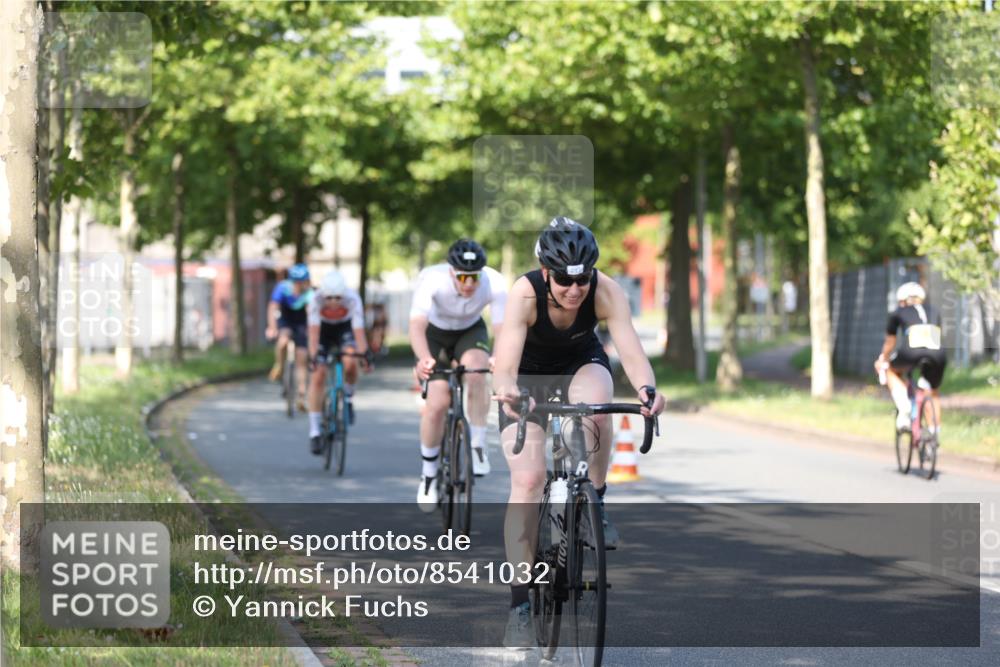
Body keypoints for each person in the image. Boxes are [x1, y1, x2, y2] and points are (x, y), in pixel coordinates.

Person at [491, 216, 665, 648]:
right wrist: (510, 393)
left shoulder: (605, 291)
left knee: (597, 411)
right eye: (565, 282)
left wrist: (648, 390)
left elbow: (631, 349)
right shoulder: (524, 292)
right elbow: (506, 364)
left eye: (582, 281)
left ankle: (595, 500)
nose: (574, 291)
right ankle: (519, 606)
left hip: (579, 364)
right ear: (546, 273)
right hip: (527, 379)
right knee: (528, 481)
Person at [410, 239, 507, 511]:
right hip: (435, 333)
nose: (468, 284)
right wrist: (422, 359)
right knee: (438, 402)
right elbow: (416, 325)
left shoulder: (494, 282)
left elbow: (502, 328)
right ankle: (428, 474)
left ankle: (476, 444)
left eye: (474, 277)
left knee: (477, 373)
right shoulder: (432, 279)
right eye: (462, 277)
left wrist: (498, 356)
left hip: (469, 330)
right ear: (451, 272)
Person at [306, 270, 371, 455]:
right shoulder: (315, 300)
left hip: (345, 328)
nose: (333, 302)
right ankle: (315, 432)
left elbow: (358, 332)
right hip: (323, 331)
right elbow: (312, 334)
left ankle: (348, 397)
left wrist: (365, 355)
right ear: (323, 294)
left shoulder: (353, 299)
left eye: (337, 297)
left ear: (344, 293)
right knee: (318, 375)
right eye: (329, 297)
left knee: (351, 360)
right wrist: (313, 357)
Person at [874, 281, 947, 433]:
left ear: (902, 300)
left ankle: (904, 406)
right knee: (932, 392)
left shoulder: (898, 312)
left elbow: (890, 341)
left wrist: (883, 358)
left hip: (911, 352)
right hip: (938, 354)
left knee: (889, 370)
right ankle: (934, 435)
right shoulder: (934, 311)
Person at [266, 263, 313, 411]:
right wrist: (272, 327)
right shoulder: (283, 288)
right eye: (296, 282)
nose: (299, 285)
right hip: (286, 320)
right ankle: (279, 365)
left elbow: (311, 313)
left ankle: (301, 393)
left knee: (302, 357)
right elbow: (273, 307)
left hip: (301, 323)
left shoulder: (309, 293)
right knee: (283, 342)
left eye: (302, 282)